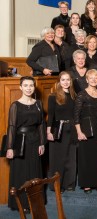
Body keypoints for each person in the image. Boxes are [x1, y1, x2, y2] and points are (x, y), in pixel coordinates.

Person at [6, 76, 46, 211]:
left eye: (31, 85)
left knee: (34, 171)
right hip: (20, 142)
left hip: (35, 141)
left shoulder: (38, 103)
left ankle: (35, 201)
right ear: (20, 87)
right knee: (20, 172)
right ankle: (21, 204)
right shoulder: (15, 105)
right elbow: (11, 127)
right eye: (26, 85)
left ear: (34, 87)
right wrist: (10, 147)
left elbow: (41, 124)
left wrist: (42, 143)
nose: (29, 88)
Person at [74, 69, 97, 193]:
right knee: (85, 158)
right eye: (91, 78)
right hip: (85, 130)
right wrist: (79, 131)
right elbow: (76, 114)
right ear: (87, 80)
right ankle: (86, 184)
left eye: (96, 78)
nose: (93, 80)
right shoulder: (81, 94)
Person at [47, 72, 77, 193]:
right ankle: (57, 184)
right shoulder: (53, 96)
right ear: (59, 81)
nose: (66, 82)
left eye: (68, 80)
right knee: (57, 158)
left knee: (71, 157)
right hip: (58, 129)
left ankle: (69, 183)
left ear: (71, 81)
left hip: (72, 128)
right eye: (63, 80)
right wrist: (49, 131)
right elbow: (50, 116)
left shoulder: (74, 96)